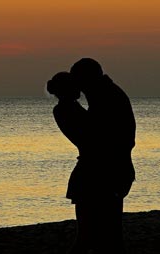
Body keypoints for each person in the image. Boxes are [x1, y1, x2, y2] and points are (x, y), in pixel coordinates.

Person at [68, 58, 136, 253]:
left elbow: (104, 139)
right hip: (112, 171)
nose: (78, 87)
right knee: (106, 235)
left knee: (102, 236)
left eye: (78, 80)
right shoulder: (105, 95)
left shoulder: (106, 97)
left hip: (109, 172)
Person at [47, 72, 93, 253]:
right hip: (88, 167)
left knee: (86, 230)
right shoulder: (65, 109)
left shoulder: (69, 107)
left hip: (86, 166)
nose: (79, 89)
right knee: (85, 233)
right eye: (74, 85)